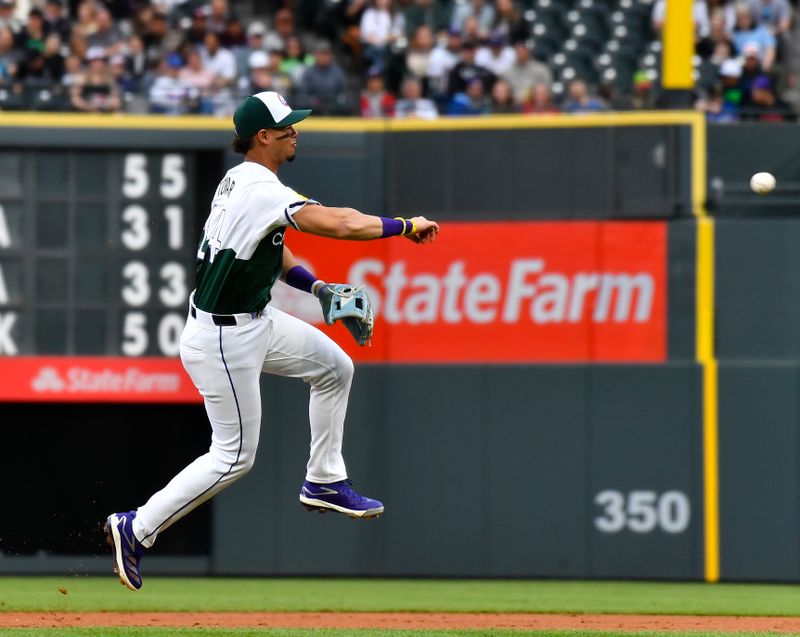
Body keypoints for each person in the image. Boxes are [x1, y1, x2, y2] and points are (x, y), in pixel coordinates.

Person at [104, 90, 439, 592]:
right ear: (263, 137)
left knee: (335, 368)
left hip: (252, 321)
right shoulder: (260, 188)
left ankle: (324, 479)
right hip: (223, 338)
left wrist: (318, 287)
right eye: (287, 127)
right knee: (234, 456)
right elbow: (341, 223)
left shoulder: (239, 181)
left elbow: (272, 249)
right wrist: (404, 225)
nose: (295, 132)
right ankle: (137, 527)